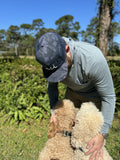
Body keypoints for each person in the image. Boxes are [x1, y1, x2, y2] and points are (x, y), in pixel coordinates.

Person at [35, 32, 116, 160]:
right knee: (68, 138)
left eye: (60, 69)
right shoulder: (48, 58)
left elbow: (109, 97)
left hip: (94, 98)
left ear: (67, 49)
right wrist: (53, 110)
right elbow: (52, 86)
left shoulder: (93, 59)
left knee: (89, 143)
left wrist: (102, 134)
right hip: (72, 94)